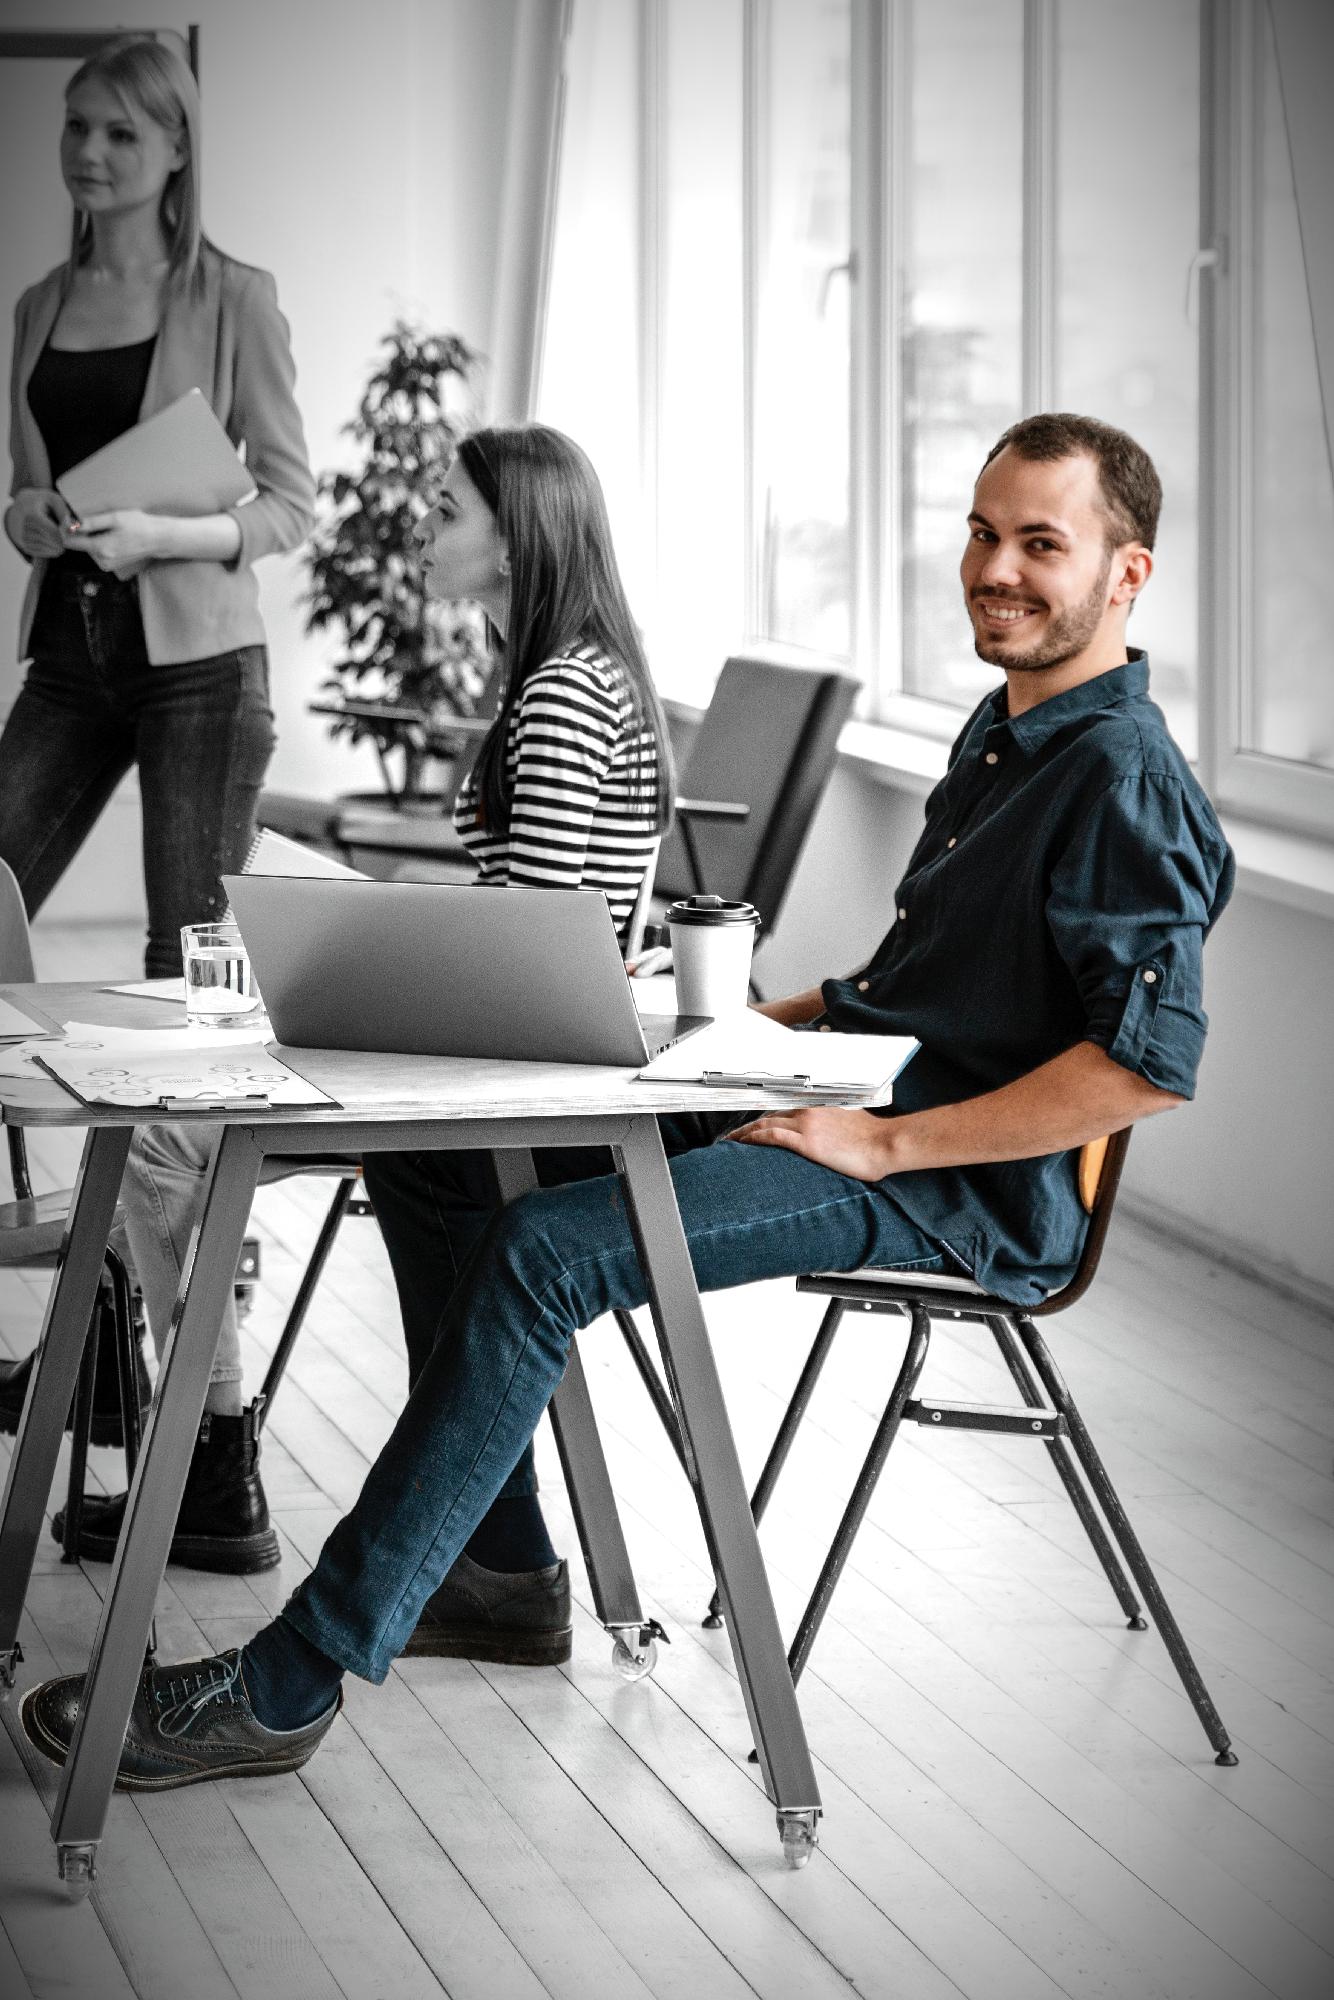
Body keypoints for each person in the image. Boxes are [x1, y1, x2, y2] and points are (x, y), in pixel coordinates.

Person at [22, 413, 1236, 1792]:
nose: (994, 568)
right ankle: (504, 1563)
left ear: (1124, 575)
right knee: (447, 1163)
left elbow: (1142, 1067)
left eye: (1039, 544)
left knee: (548, 1250)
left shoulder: (1123, 777)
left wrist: (882, 1140)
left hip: (952, 1184)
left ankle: (290, 1683)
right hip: (849, 1096)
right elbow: (912, 990)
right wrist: (725, 1028)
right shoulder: (1004, 732)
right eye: (979, 532)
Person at [45, 424, 675, 1583]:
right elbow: (533, 923)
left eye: (447, 513)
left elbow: (523, 945)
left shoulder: (560, 694)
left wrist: (349, 933)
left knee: (165, 1134)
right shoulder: (576, 674)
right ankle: (201, 1442)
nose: (425, 529)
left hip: (508, 1084)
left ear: (512, 540)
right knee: (185, 1105)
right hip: (525, 1063)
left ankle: (208, 1455)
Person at [0, 35, 314, 1468]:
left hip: (199, 664)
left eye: (123, 134)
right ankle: (99, 1333)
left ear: (177, 150)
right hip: (71, 653)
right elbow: (24, 485)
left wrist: (165, 535)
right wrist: (35, 523)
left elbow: (283, 505)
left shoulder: (230, 297)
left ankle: (205, 1390)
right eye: (77, 128)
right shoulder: (39, 304)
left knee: (196, 1009)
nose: (90, 154)